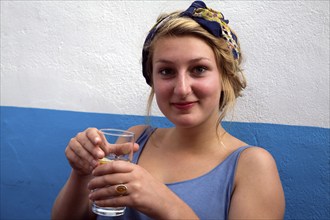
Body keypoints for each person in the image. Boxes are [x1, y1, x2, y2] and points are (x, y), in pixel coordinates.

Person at [52, 1, 285, 219]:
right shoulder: (136, 140)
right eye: (166, 71)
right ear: (152, 79)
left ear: (225, 76)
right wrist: (81, 173)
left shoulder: (252, 166)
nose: (182, 89)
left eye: (199, 69)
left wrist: (165, 203)